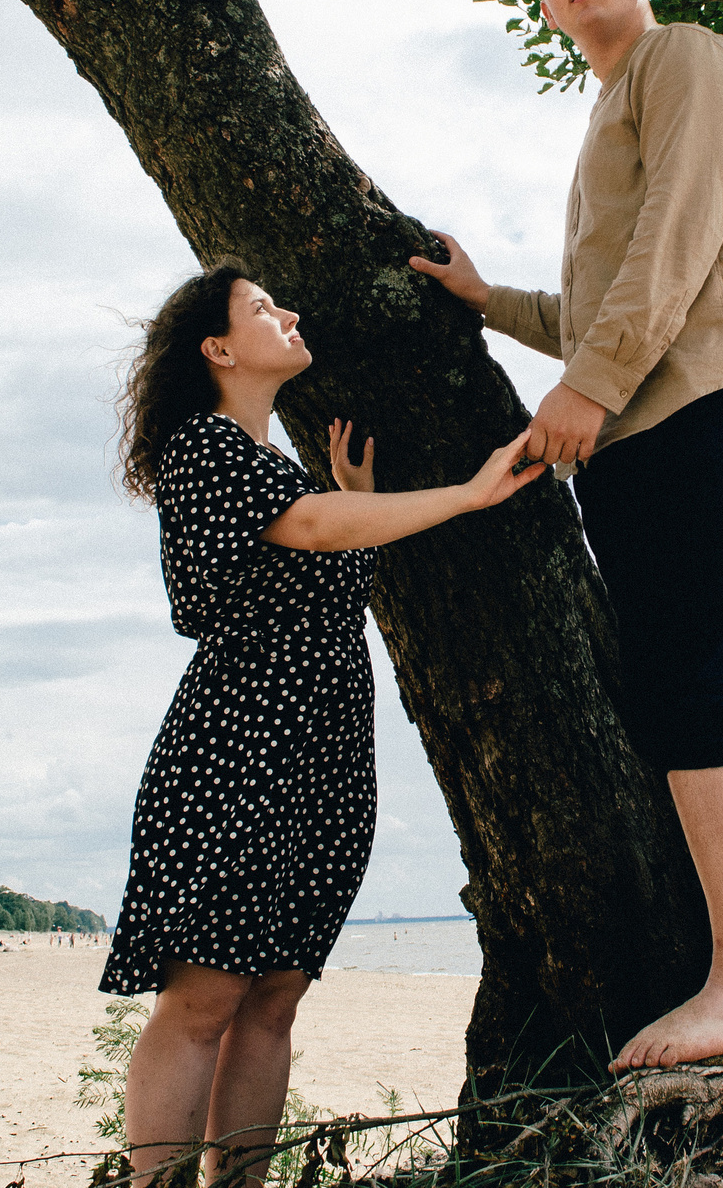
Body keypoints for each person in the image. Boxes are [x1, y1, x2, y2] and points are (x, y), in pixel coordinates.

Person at [408, 0, 723, 1072]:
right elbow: (599, 298)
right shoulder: (610, 104)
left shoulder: (688, 58)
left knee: (687, 678)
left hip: (694, 402)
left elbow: (678, 231)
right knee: (674, 679)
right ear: (544, 3)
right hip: (638, 420)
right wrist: (489, 303)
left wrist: (589, 384)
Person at [101, 262, 543, 1188]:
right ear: (218, 349)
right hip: (237, 751)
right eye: (263, 308)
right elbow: (308, 529)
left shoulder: (281, 474)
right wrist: (465, 493)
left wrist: (354, 497)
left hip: (325, 759)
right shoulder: (203, 448)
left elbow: (320, 533)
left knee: (274, 998)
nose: (289, 312)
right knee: (205, 998)